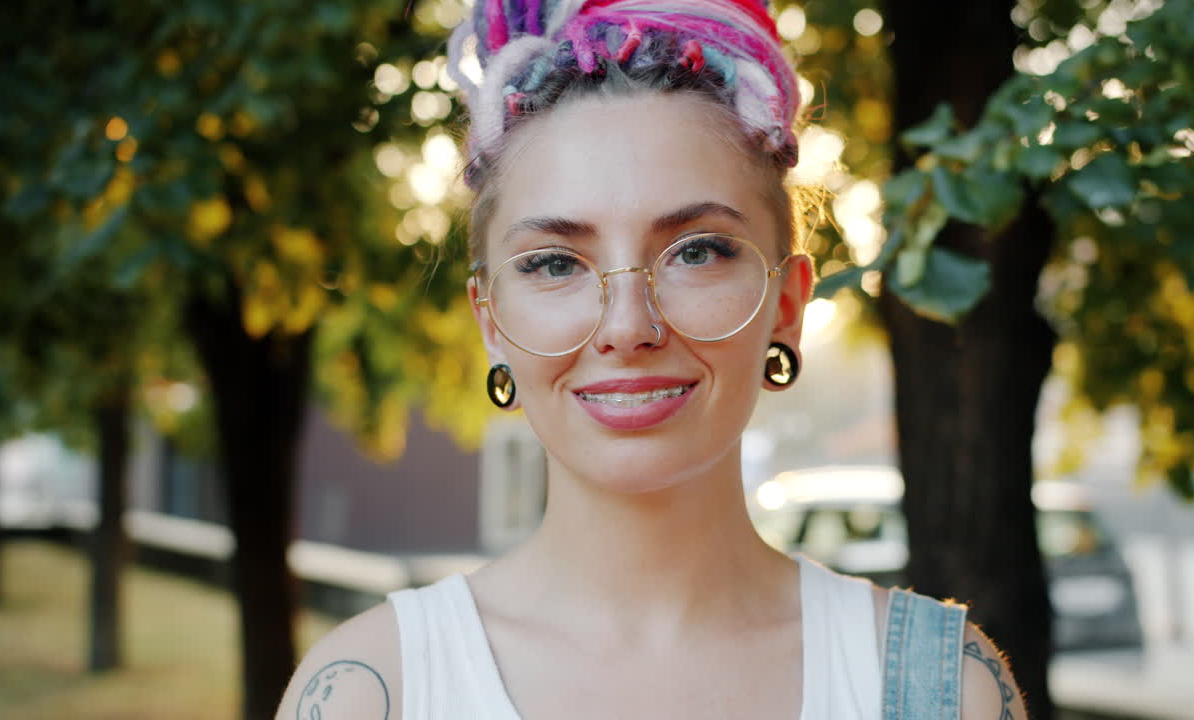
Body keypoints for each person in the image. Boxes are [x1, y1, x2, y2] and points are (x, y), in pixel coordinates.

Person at [277, 1, 1026, 718]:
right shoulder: (369, 693)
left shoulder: (948, 690)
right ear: (492, 321)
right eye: (553, 263)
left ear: (788, 306)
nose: (628, 327)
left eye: (697, 251)